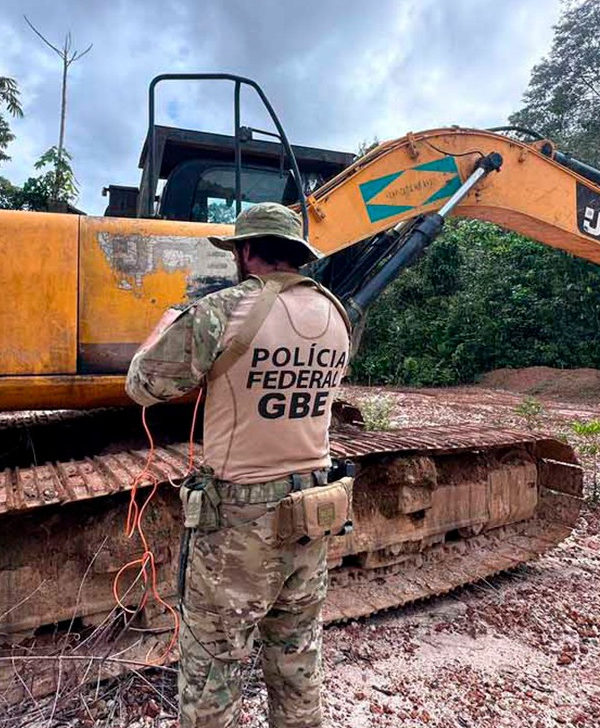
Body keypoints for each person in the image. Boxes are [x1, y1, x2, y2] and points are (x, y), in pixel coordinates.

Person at [126, 202, 352, 728]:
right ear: (296, 253)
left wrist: (161, 332)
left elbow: (145, 386)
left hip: (238, 522)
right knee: (297, 660)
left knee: (212, 671)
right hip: (313, 510)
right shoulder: (337, 314)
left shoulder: (221, 310)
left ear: (246, 252)